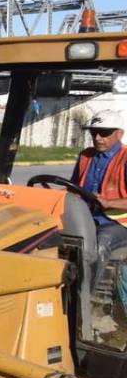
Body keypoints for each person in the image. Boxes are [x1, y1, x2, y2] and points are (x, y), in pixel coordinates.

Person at [71, 111, 127, 283]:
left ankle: (85, 298)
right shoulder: (85, 156)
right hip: (86, 217)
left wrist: (109, 202)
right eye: (93, 133)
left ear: (119, 133)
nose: (97, 137)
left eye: (104, 133)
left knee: (100, 243)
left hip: (118, 222)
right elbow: (72, 188)